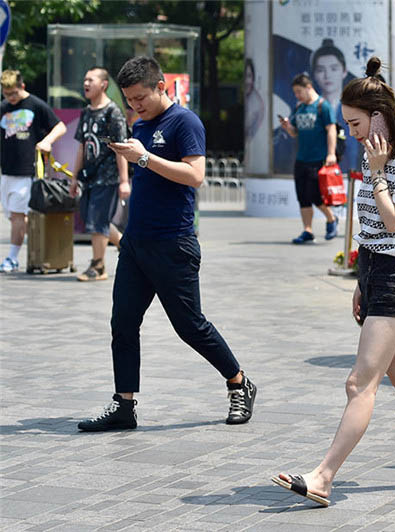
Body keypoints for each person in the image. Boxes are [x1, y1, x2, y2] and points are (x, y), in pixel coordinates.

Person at [272, 57, 395, 507]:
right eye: (348, 124)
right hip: (376, 272)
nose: (352, 132)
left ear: (378, 117)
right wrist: (361, 280)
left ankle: (323, 476)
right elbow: (372, 232)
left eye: (355, 123)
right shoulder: (373, 156)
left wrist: (376, 173)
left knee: (359, 383)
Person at [77, 56, 256, 432]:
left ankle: (239, 381)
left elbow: (195, 175)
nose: (134, 106)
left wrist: (145, 157)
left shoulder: (184, 122)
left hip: (173, 243)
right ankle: (124, 405)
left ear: (161, 86)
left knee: (190, 326)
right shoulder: (140, 124)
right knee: (122, 323)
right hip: (136, 243)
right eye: (128, 100)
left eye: (140, 97)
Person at [68, 67, 130, 282]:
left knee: (97, 221)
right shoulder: (86, 112)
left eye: (91, 80)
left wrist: (124, 181)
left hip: (109, 176)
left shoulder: (113, 112)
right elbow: (81, 146)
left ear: (103, 84)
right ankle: (125, 245)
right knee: (92, 219)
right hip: (89, 176)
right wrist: (74, 176)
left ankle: (98, 266)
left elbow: (121, 148)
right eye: (84, 79)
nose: (86, 83)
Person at [0, 69, 67, 273]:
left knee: (18, 215)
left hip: (27, 170)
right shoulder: (3, 107)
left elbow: (60, 126)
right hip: (6, 171)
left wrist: (46, 141)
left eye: (14, 93)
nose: (10, 98)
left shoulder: (36, 105)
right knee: (14, 216)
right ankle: (34, 247)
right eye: (6, 94)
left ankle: (12, 257)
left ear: (22, 86)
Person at [279, 73, 339, 243]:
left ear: (308, 87)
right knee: (303, 196)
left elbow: (331, 130)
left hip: (318, 159)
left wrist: (331, 153)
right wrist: (287, 127)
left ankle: (331, 218)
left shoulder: (322, 106)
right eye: (295, 92)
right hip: (301, 158)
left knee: (315, 195)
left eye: (299, 91)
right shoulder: (299, 108)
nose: (297, 95)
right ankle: (307, 230)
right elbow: (294, 133)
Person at [311, 39, 360, 173]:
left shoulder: (354, 107)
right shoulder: (310, 109)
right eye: (321, 70)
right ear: (314, 74)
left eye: (334, 68)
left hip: (350, 176)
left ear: (344, 71)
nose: (327, 75)